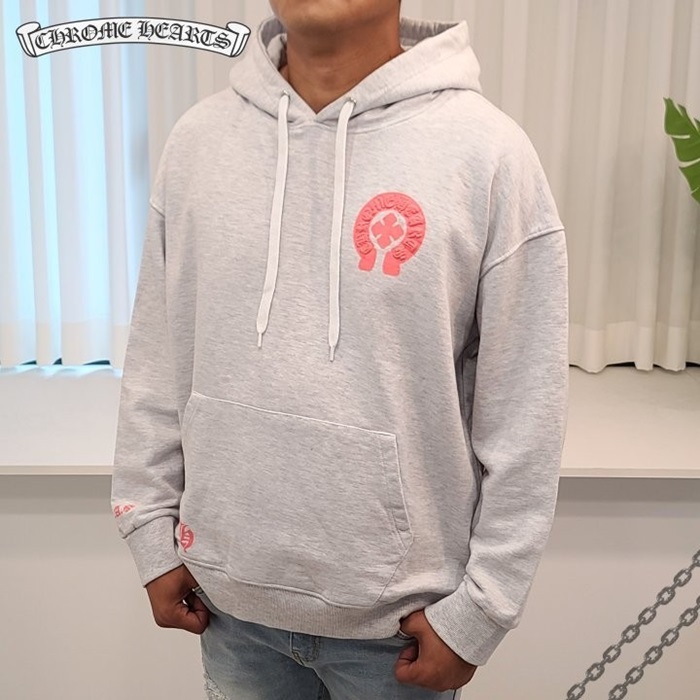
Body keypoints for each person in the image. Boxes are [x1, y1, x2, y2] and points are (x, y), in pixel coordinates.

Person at [110, 1, 569, 698]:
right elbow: (157, 360)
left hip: (401, 631)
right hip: (228, 607)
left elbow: (525, 412)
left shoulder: (489, 154)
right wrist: (148, 530)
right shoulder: (198, 143)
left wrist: (481, 613)